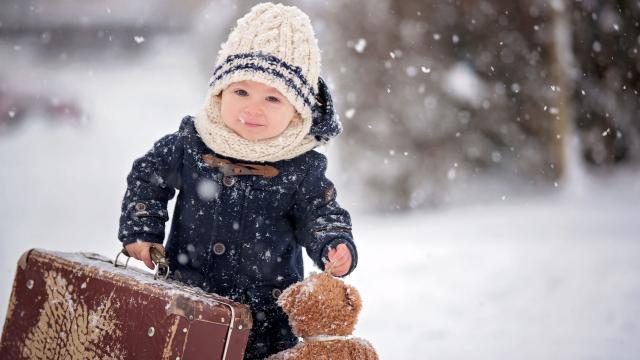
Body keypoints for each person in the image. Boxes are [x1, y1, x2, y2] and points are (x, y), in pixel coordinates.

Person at [117, 3, 358, 359]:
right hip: (187, 302)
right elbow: (147, 176)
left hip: (265, 321)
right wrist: (141, 229)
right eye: (241, 92)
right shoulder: (193, 142)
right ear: (219, 92)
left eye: (273, 98)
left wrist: (333, 243)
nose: (252, 109)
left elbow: (319, 212)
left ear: (298, 111)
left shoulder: (301, 167)